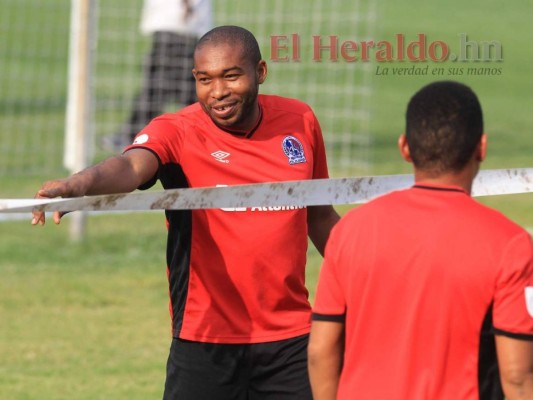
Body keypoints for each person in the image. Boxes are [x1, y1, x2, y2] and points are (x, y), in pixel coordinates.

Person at [33, 25, 340, 399]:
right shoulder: (177, 131)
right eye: (204, 79)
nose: (218, 92)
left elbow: (320, 215)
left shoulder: (300, 121)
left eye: (231, 76)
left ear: (259, 72)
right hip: (205, 339)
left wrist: (366, 275)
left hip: (290, 338)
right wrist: (78, 185)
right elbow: (130, 167)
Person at [308, 81, 533, 400]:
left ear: (404, 148)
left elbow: (321, 351)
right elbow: (518, 377)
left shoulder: (350, 231)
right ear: (481, 147)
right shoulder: (511, 244)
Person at [102, 0, 213, 152]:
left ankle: (131, 135)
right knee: (178, 89)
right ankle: (206, 136)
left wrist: (186, 4)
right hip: (180, 23)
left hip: (178, 23)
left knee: (160, 88)